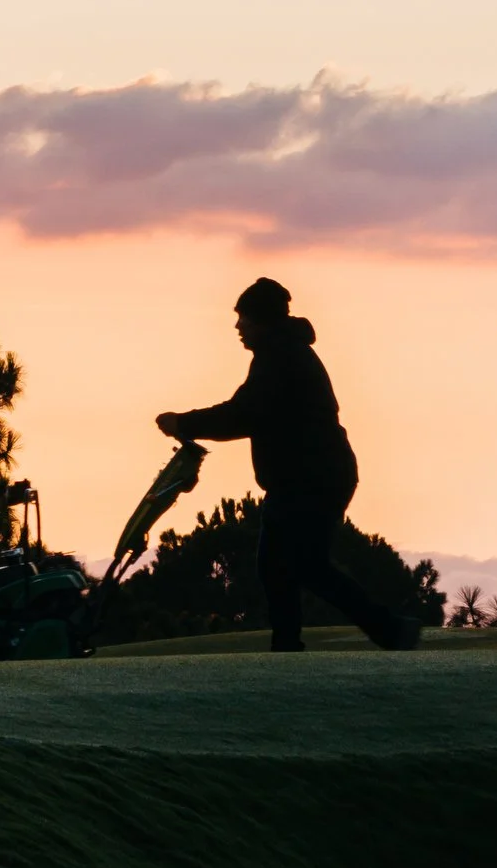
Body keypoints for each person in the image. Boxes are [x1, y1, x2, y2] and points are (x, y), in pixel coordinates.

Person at [156, 277, 421, 653]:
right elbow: (248, 413)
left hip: (311, 479)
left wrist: (184, 423)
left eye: (244, 318)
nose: (237, 326)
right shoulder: (280, 353)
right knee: (287, 565)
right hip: (309, 477)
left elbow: (243, 414)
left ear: (261, 320)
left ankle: (381, 631)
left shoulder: (280, 357)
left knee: (297, 565)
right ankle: (303, 642)